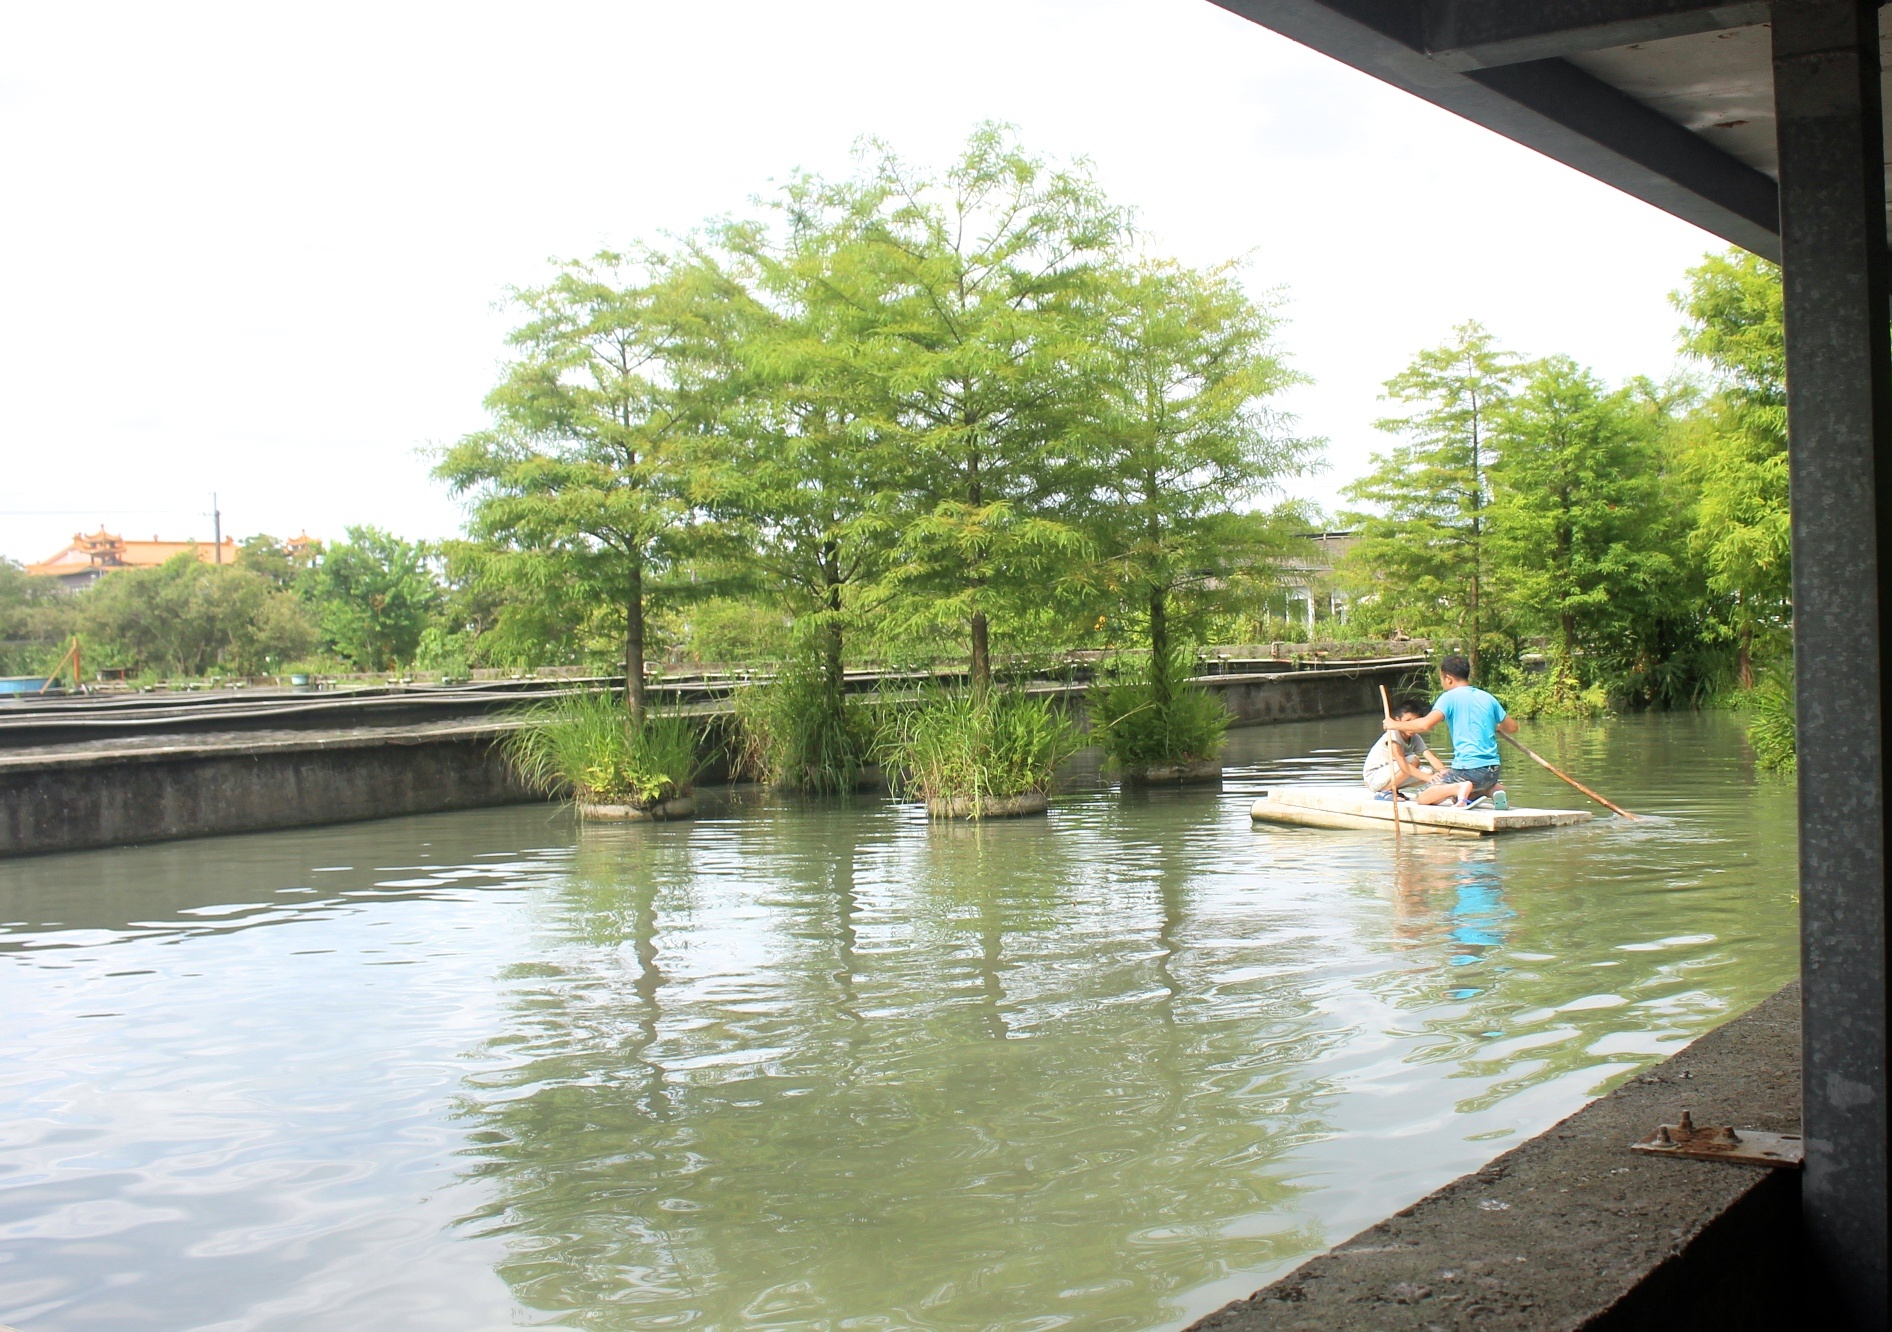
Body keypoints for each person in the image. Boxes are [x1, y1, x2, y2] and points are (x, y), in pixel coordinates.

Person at [1381, 653, 1519, 806]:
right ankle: (1492, 790)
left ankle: (1461, 786)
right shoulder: (1487, 697)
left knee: (1422, 797)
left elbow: (1425, 725)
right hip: (1492, 771)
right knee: (1458, 796)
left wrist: (1394, 724)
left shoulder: (1449, 697)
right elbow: (1512, 727)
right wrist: (1496, 726)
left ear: (1448, 678)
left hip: (1468, 770)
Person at [1362, 700, 1455, 801]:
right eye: (1408, 721)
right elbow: (1403, 766)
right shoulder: (1392, 734)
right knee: (1413, 760)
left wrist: (1442, 770)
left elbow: (1428, 755)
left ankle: (1393, 790)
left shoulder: (1415, 737)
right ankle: (1385, 791)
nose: (1411, 725)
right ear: (1397, 721)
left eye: (1415, 722)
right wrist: (1428, 779)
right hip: (1374, 778)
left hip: (1390, 775)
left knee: (1430, 773)